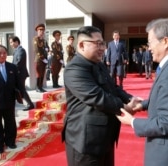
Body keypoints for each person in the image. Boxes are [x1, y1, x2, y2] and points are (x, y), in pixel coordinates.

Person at [116, 18, 168, 166]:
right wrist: (143, 105)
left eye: (150, 42)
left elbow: (166, 122)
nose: (149, 48)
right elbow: (167, 97)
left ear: (165, 41)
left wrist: (133, 122)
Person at [62, 26, 139, 166]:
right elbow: (96, 97)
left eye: (102, 43)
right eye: (97, 44)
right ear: (81, 45)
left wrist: (130, 99)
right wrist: (124, 107)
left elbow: (113, 87)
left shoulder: (99, 64)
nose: (102, 48)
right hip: (85, 142)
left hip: (104, 137)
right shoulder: (74, 68)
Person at [0, 45, 23, 154]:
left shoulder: (12, 67)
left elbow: (18, 84)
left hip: (9, 100)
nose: (2, 55)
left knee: (10, 123)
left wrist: (21, 95)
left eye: (4, 53)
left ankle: (10, 142)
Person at [9, 36, 35, 111]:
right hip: (17, 73)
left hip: (20, 74)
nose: (11, 44)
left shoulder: (21, 50)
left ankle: (30, 104)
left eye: (11, 42)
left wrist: (11, 69)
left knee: (21, 89)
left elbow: (19, 62)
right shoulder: (16, 50)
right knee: (18, 89)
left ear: (16, 42)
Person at [33, 23, 50, 92]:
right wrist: (43, 58)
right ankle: (37, 87)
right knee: (39, 74)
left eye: (43, 30)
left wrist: (47, 49)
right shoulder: (36, 39)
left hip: (44, 60)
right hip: (39, 60)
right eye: (40, 30)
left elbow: (47, 48)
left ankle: (41, 87)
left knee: (42, 74)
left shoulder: (44, 40)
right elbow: (36, 50)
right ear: (37, 31)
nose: (41, 32)